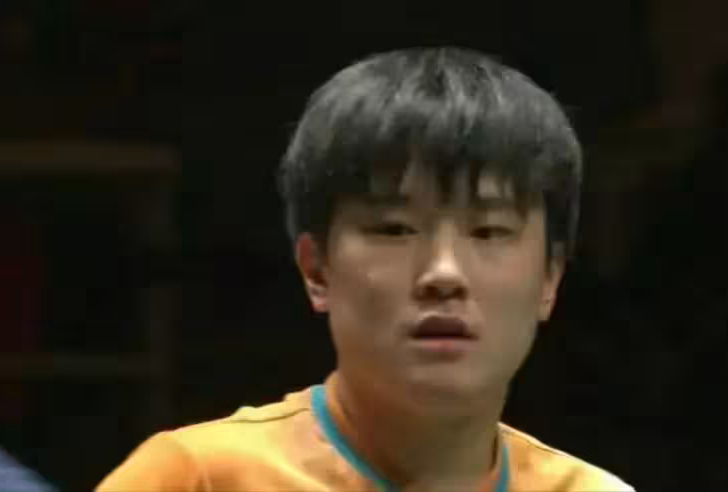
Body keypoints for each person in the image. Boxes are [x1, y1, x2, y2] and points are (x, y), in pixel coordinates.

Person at [97, 46, 635, 492]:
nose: (443, 274)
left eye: (489, 231)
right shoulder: (197, 478)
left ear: (549, 279)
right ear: (317, 270)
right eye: (394, 229)